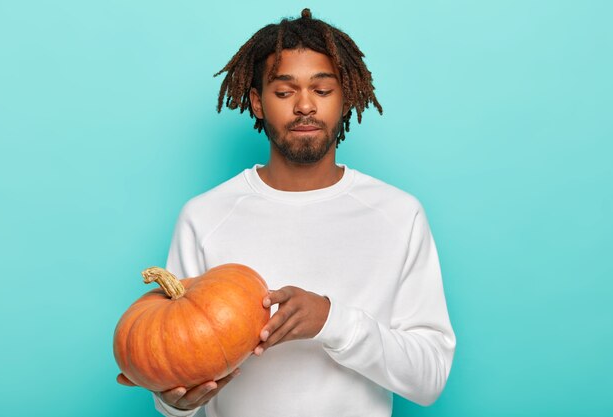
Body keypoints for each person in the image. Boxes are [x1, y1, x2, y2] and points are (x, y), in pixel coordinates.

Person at [118, 8, 456, 417]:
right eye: (284, 92)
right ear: (258, 103)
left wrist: (331, 321)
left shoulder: (399, 214)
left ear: (346, 98)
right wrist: (171, 402)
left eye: (323, 90)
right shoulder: (205, 216)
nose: (305, 106)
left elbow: (430, 377)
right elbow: (178, 355)